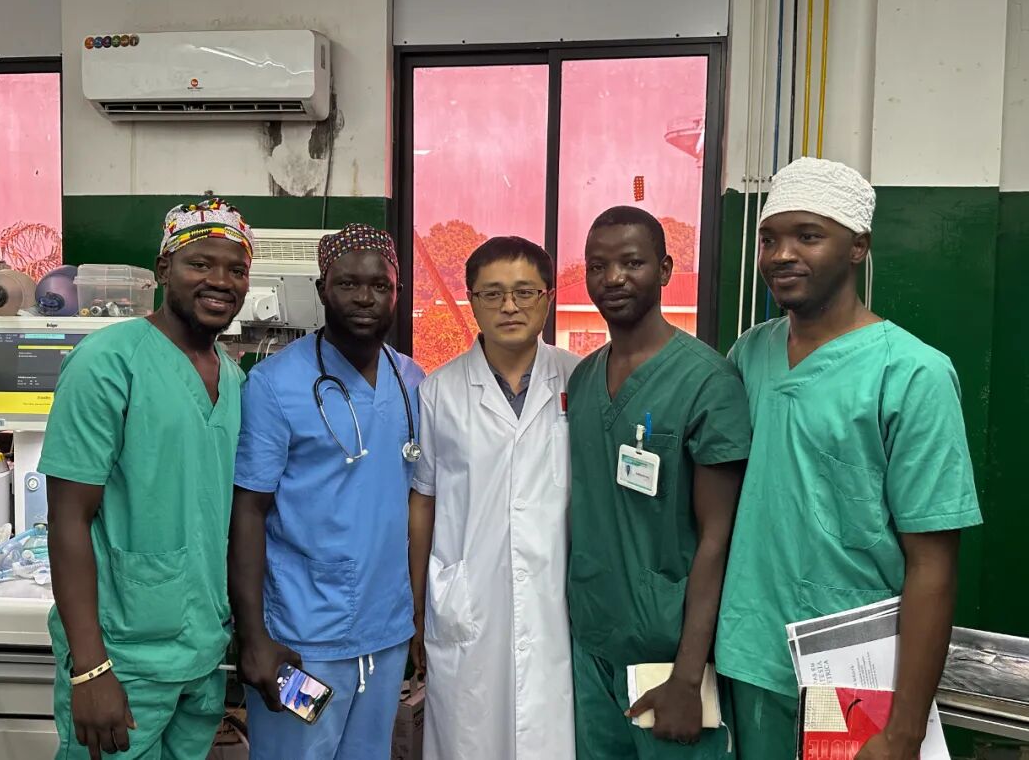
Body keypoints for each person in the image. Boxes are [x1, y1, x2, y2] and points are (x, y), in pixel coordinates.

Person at [716, 157, 983, 760]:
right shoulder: (748, 354)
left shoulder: (913, 374)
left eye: (808, 236)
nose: (782, 254)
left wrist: (904, 730)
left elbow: (933, 564)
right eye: (769, 239)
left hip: (854, 678)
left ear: (858, 247)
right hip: (750, 657)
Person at [43, 199, 254, 760]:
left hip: (201, 656)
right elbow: (67, 520)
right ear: (164, 269)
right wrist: (90, 668)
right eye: (200, 263)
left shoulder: (233, 379)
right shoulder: (107, 362)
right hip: (122, 661)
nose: (220, 281)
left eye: (236, 269)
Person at [229, 224, 425, 759]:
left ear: (397, 293)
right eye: (348, 284)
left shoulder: (412, 382)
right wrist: (253, 637)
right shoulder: (276, 384)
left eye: (380, 286)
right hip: (300, 642)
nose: (365, 298)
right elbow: (248, 511)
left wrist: (414, 623)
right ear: (322, 289)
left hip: (385, 636)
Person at [567, 206, 750, 759]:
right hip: (593, 645)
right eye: (597, 266)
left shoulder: (707, 382)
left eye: (632, 262)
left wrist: (688, 678)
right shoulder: (583, 378)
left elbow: (718, 538)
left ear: (665, 270)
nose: (613, 278)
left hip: (669, 658)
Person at [409, 237, 580, 760]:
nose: (509, 306)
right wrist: (416, 605)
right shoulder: (438, 391)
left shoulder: (581, 378)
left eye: (525, 292)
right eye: (493, 293)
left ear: (548, 298)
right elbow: (424, 501)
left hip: (557, 600)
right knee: (469, 737)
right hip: (469, 600)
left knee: (551, 736)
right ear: (472, 301)